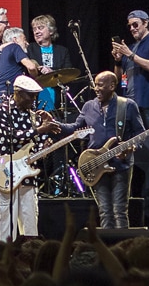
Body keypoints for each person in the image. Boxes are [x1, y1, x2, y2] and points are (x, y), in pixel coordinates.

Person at [59, 71, 144, 229]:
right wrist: (55, 124)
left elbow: (140, 134)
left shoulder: (127, 105)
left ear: (112, 86)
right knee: (104, 211)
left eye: (100, 85)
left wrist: (131, 147)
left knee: (119, 210)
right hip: (97, 164)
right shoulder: (89, 106)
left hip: (121, 165)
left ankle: (121, 250)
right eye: (95, 85)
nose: (95, 88)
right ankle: (107, 247)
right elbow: (75, 128)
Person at [0, 75, 60, 241]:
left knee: (30, 217)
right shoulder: (1, 109)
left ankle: (30, 254)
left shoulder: (33, 115)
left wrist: (47, 144)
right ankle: (4, 254)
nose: (34, 100)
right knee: (6, 214)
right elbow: (10, 137)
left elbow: (37, 145)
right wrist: (40, 130)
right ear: (19, 93)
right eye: (30, 95)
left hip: (27, 174)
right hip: (5, 171)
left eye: (35, 96)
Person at [111, 9, 149, 190]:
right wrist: (117, 60)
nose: (132, 28)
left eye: (135, 24)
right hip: (129, 104)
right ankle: (126, 187)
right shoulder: (131, 47)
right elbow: (117, 79)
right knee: (124, 146)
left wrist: (130, 55)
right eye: (129, 26)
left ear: (146, 23)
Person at [27, 15, 73, 111]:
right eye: (34, 29)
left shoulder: (62, 51)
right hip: (35, 96)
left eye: (40, 28)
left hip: (56, 96)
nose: (36, 32)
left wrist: (52, 72)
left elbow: (68, 73)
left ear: (51, 31)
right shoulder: (30, 49)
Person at [0, 27, 44, 96]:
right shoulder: (15, 46)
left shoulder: (2, 51)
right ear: (15, 40)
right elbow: (31, 67)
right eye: (24, 39)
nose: (27, 43)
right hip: (10, 95)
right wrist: (36, 77)